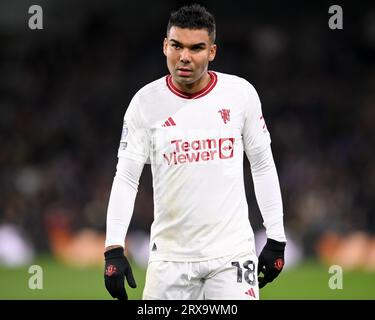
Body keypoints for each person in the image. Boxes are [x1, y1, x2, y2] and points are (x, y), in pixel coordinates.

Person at [104, 4, 286, 300]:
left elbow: (262, 164)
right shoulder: (145, 104)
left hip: (232, 255)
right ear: (165, 46)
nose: (184, 56)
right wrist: (113, 247)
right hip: (169, 259)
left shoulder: (240, 94)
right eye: (176, 46)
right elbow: (126, 178)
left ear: (212, 51)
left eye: (196, 48)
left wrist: (276, 237)